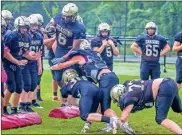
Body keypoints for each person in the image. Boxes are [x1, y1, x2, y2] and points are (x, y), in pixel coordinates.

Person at [51, 39, 119, 131]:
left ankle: (119, 122)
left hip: (104, 79)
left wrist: (53, 66)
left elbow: (63, 65)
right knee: (100, 106)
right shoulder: (95, 53)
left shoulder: (79, 56)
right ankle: (108, 124)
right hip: (109, 77)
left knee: (105, 109)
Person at [110, 78, 182, 134]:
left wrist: (115, 122)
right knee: (178, 109)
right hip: (170, 82)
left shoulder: (129, 98)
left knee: (161, 119)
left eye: (117, 99)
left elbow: (123, 118)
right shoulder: (129, 85)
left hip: (163, 88)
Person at [61, 69, 119, 134]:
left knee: (84, 116)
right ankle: (87, 126)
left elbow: (71, 102)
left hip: (87, 92)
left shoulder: (67, 86)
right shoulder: (85, 77)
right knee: (91, 112)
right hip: (98, 90)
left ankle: (112, 120)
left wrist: (66, 104)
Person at [3, 16, 33, 114]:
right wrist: (17, 61)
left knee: (19, 88)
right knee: (11, 87)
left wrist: (33, 57)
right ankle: (3, 109)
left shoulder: (27, 37)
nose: (24, 29)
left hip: (17, 64)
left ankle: (14, 109)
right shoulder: (10, 35)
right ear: (17, 26)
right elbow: (5, 53)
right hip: (7, 64)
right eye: (22, 27)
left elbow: (25, 52)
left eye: (26, 27)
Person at [19, 15, 43, 112]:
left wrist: (40, 65)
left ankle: (28, 104)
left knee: (33, 84)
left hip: (33, 63)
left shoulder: (39, 36)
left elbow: (39, 53)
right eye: (32, 25)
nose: (34, 27)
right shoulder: (24, 36)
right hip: (25, 62)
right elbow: (22, 52)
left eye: (35, 25)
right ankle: (22, 105)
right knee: (27, 84)